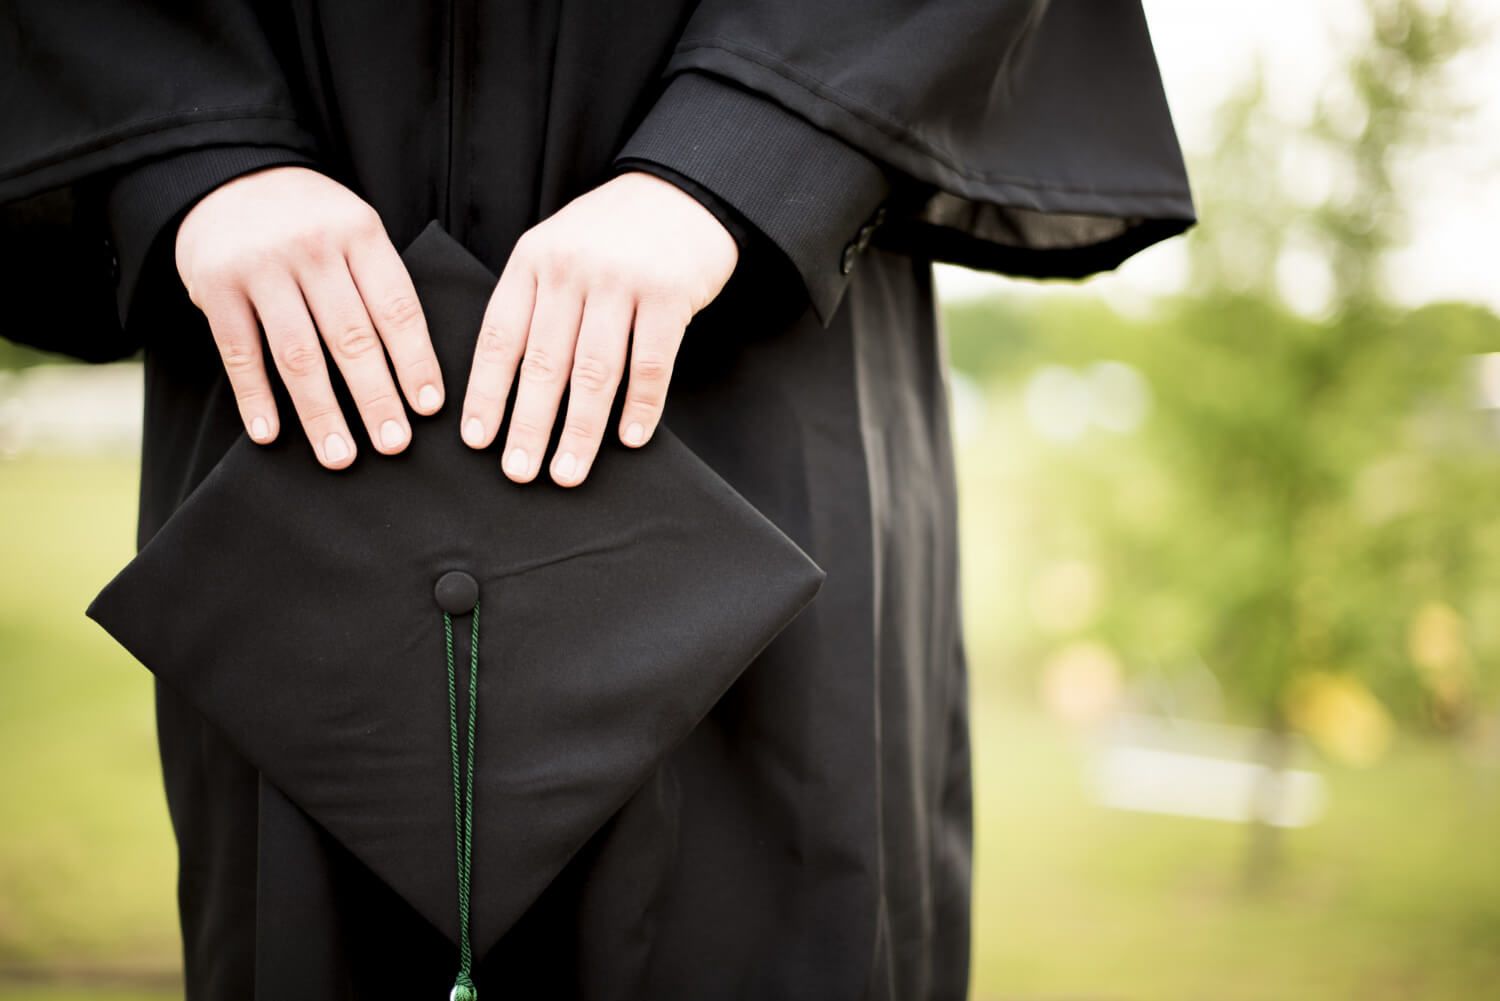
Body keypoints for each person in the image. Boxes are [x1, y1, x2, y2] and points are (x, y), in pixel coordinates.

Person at [0, 2, 1195, 997]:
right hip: (289, 337)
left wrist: (749, 146)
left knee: (762, 919)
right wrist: (193, 148)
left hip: (747, 331)